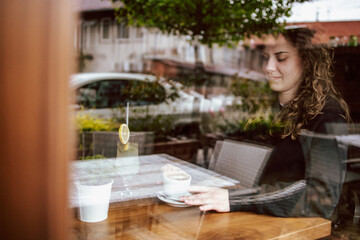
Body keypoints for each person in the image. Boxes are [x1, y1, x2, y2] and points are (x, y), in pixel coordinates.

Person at [180, 27, 351, 218]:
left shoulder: (326, 115)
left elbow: (321, 195)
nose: (269, 67)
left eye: (281, 58)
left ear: (307, 62)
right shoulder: (265, 108)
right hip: (247, 217)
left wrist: (235, 199)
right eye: (265, 58)